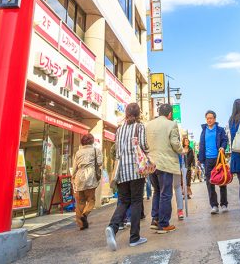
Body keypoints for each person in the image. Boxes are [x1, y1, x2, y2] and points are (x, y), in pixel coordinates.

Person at [105, 103, 149, 251]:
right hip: (136, 169)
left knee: (123, 201)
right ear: (138, 114)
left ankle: (112, 227)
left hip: (122, 171)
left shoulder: (119, 129)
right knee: (136, 201)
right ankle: (134, 238)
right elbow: (143, 145)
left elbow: (117, 151)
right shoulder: (140, 127)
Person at [145, 103, 183, 234]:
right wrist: (182, 150)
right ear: (170, 114)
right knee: (166, 193)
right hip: (165, 164)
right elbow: (175, 143)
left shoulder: (148, 125)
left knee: (157, 191)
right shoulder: (171, 124)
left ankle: (155, 220)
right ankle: (163, 224)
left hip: (151, 163)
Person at [198, 110, 229, 214]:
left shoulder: (220, 130)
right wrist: (200, 159)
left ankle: (224, 204)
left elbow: (225, 140)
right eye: (207, 118)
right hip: (208, 160)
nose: (209, 120)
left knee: (222, 181)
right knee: (209, 183)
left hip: (219, 159)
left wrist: (222, 147)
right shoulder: (203, 131)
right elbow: (201, 145)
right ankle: (214, 206)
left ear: (215, 119)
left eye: (211, 118)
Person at [71, 133, 101, 230]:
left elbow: (75, 167)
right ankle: (85, 214)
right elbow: (100, 163)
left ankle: (81, 224)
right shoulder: (96, 150)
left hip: (79, 177)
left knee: (80, 202)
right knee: (91, 200)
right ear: (92, 141)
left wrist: (73, 179)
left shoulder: (78, 152)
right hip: (90, 176)